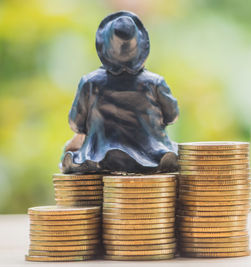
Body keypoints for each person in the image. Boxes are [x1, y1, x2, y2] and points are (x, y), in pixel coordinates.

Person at [61, 11, 179, 174]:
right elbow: (172, 116)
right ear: (140, 49)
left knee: (68, 152)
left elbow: (76, 124)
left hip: (98, 159)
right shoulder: (155, 83)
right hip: (154, 158)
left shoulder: (89, 83)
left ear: (105, 48)